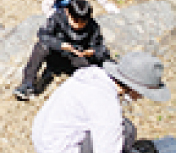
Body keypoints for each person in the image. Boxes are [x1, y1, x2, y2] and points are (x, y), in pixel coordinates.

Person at [31, 51, 170, 153]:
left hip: (45, 141)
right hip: (59, 148)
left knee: (126, 128)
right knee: (125, 131)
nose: (142, 97)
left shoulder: (94, 77)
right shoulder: (105, 103)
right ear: (135, 87)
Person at [14, 0, 110, 100]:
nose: (78, 25)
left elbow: (101, 49)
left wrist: (92, 52)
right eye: (75, 21)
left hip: (76, 60)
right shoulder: (57, 18)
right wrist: (61, 45)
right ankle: (27, 84)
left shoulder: (93, 27)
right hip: (56, 54)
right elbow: (43, 35)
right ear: (67, 12)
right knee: (42, 46)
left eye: (83, 23)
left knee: (97, 66)